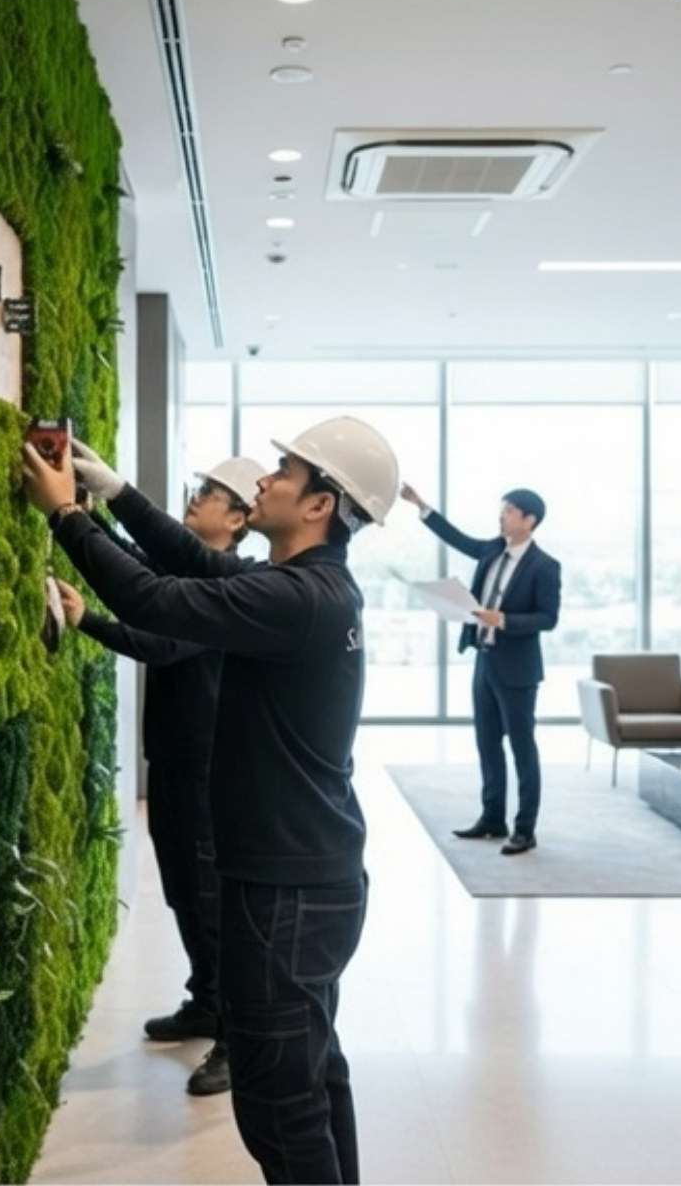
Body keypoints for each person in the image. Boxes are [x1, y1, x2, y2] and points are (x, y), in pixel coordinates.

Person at [21, 416, 399, 1186]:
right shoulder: (312, 587)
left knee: (279, 1105)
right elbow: (198, 565)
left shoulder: (298, 598)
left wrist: (63, 514)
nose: (264, 479)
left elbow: (157, 601)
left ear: (320, 504)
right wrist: (115, 493)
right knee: (312, 1075)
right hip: (306, 873)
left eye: (284, 472)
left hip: (286, 888)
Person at [54, 455, 267, 1098]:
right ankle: (206, 1000)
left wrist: (88, 620)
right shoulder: (192, 573)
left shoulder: (232, 592)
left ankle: (234, 1034)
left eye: (210, 493)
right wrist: (90, 519)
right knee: (182, 889)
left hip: (205, 769)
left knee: (209, 898)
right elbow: (141, 569)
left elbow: (160, 641)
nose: (195, 498)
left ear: (238, 519)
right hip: (174, 759)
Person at [402, 482, 562, 854]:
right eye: (501, 510)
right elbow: (457, 539)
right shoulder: (492, 549)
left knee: (522, 749)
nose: (501, 517)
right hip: (485, 662)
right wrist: (421, 506)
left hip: (518, 671)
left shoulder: (545, 566)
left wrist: (503, 619)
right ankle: (493, 819)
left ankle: (525, 829)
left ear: (529, 520)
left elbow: (548, 618)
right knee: (487, 745)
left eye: (508, 511)